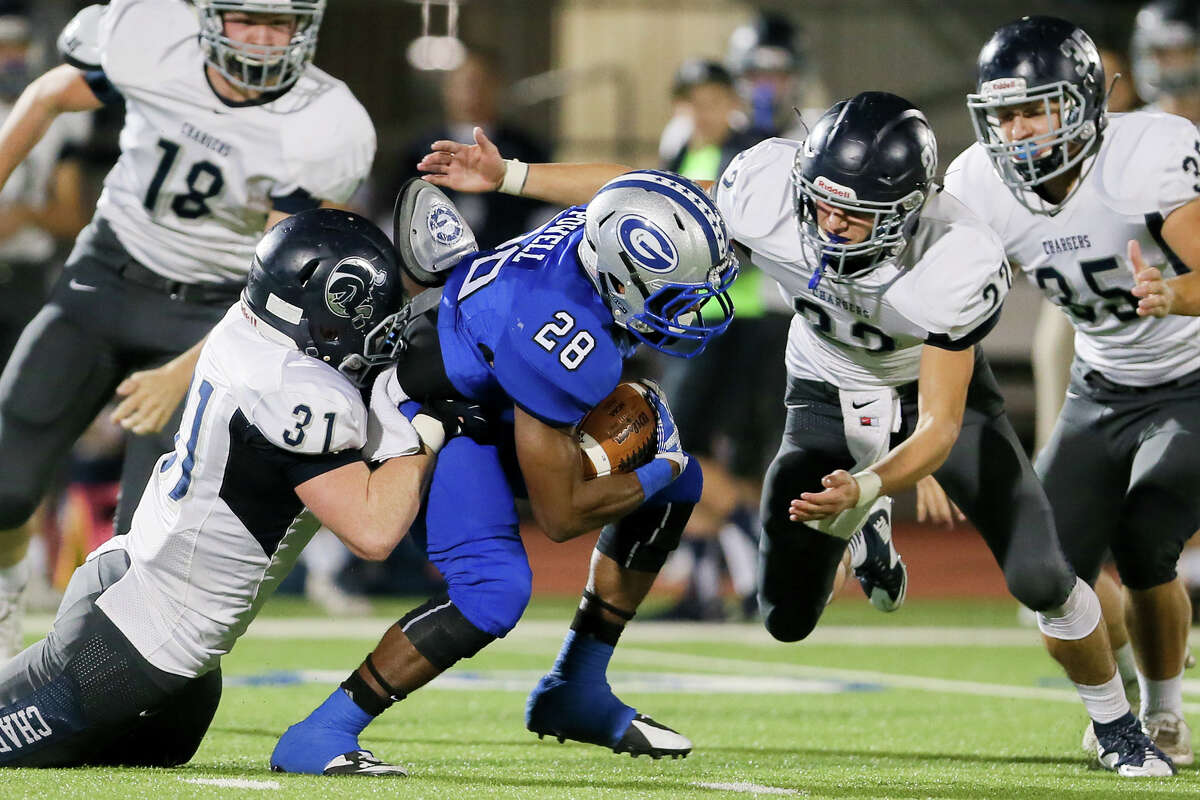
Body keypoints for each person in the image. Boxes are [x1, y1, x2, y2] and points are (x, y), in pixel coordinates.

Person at [416, 91, 1174, 778]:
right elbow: (644, 201)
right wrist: (511, 175)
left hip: (924, 390)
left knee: (1041, 573)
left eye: (856, 215)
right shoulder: (770, 190)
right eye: (821, 204)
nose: (829, 224)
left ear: (912, 208)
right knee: (784, 616)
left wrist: (872, 483)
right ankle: (861, 529)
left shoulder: (955, 256)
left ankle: (1117, 725)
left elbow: (940, 426)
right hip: (825, 383)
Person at [270, 170, 737, 775]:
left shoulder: (594, 233)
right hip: (432, 404)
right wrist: (661, 466)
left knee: (679, 481)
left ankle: (577, 688)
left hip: (487, 380)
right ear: (624, 273)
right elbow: (561, 516)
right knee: (491, 590)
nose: (692, 305)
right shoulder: (565, 337)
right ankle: (319, 731)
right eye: (676, 291)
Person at [0, 208, 451, 767]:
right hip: (132, 648)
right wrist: (426, 426)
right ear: (318, 317)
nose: (378, 330)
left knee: (151, 758)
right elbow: (375, 530)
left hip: (155, 618)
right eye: (363, 316)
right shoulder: (295, 391)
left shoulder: (249, 325)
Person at [0, 0, 375, 659]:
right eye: (246, 19)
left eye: (278, 24)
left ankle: (70, 674)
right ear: (209, 18)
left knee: (144, 546)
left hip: (216, 313)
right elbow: (46, 96)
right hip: (107, 277)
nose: (262, 39)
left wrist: (185, 370)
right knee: (6, 480)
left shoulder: (324, 121)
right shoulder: (151, 36)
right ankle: (5, 596)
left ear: (304, 29)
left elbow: (281, 282)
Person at [943, 14, 1200, 769]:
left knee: (1146, 535)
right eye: (1005, 114)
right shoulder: (979, 183)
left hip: (1192, 378)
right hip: (1102, 383)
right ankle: (1116, 693)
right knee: (1045, 575)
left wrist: (1176, 295)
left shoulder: (1149, 153)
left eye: (1035, 109)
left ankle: (1163, 713)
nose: (1017, 131)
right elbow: (938, 299)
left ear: (1085, 101)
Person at [653, 58, 789, 620]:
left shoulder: (750, 152)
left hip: (737, 322)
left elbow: (760, 235)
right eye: (691, 100)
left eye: (710, 99)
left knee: (680, 451)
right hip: (689, 323)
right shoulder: (682, 153)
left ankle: (757, 544)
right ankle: (706, 590)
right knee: (689, 449)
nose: (700, 111)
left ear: (728, 102)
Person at [393, 48, 550, 249]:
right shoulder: (421, 149)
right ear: (446, 89)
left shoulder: (525, 148)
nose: (471, 93)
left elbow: (543, 211)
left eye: (479, 83)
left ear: (496, 86)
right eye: (463, 84)